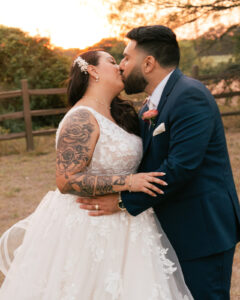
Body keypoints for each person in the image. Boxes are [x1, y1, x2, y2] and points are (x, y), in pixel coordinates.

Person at [0, 50, 193, 299]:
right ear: (92, 71)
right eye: (112, 62)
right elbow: (67, 180)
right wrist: (129, 182)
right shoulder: (81, 118)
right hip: (89, 224)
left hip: (130, 225)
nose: (120, 67)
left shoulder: (119, 113)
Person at [77, 26, 240, 299]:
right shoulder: (149, 105)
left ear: (149, 63)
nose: (122, 67)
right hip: (170, 229)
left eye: (127, 58)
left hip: (201, 231)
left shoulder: (189, 95)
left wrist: (121, 202)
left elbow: (181, 167)